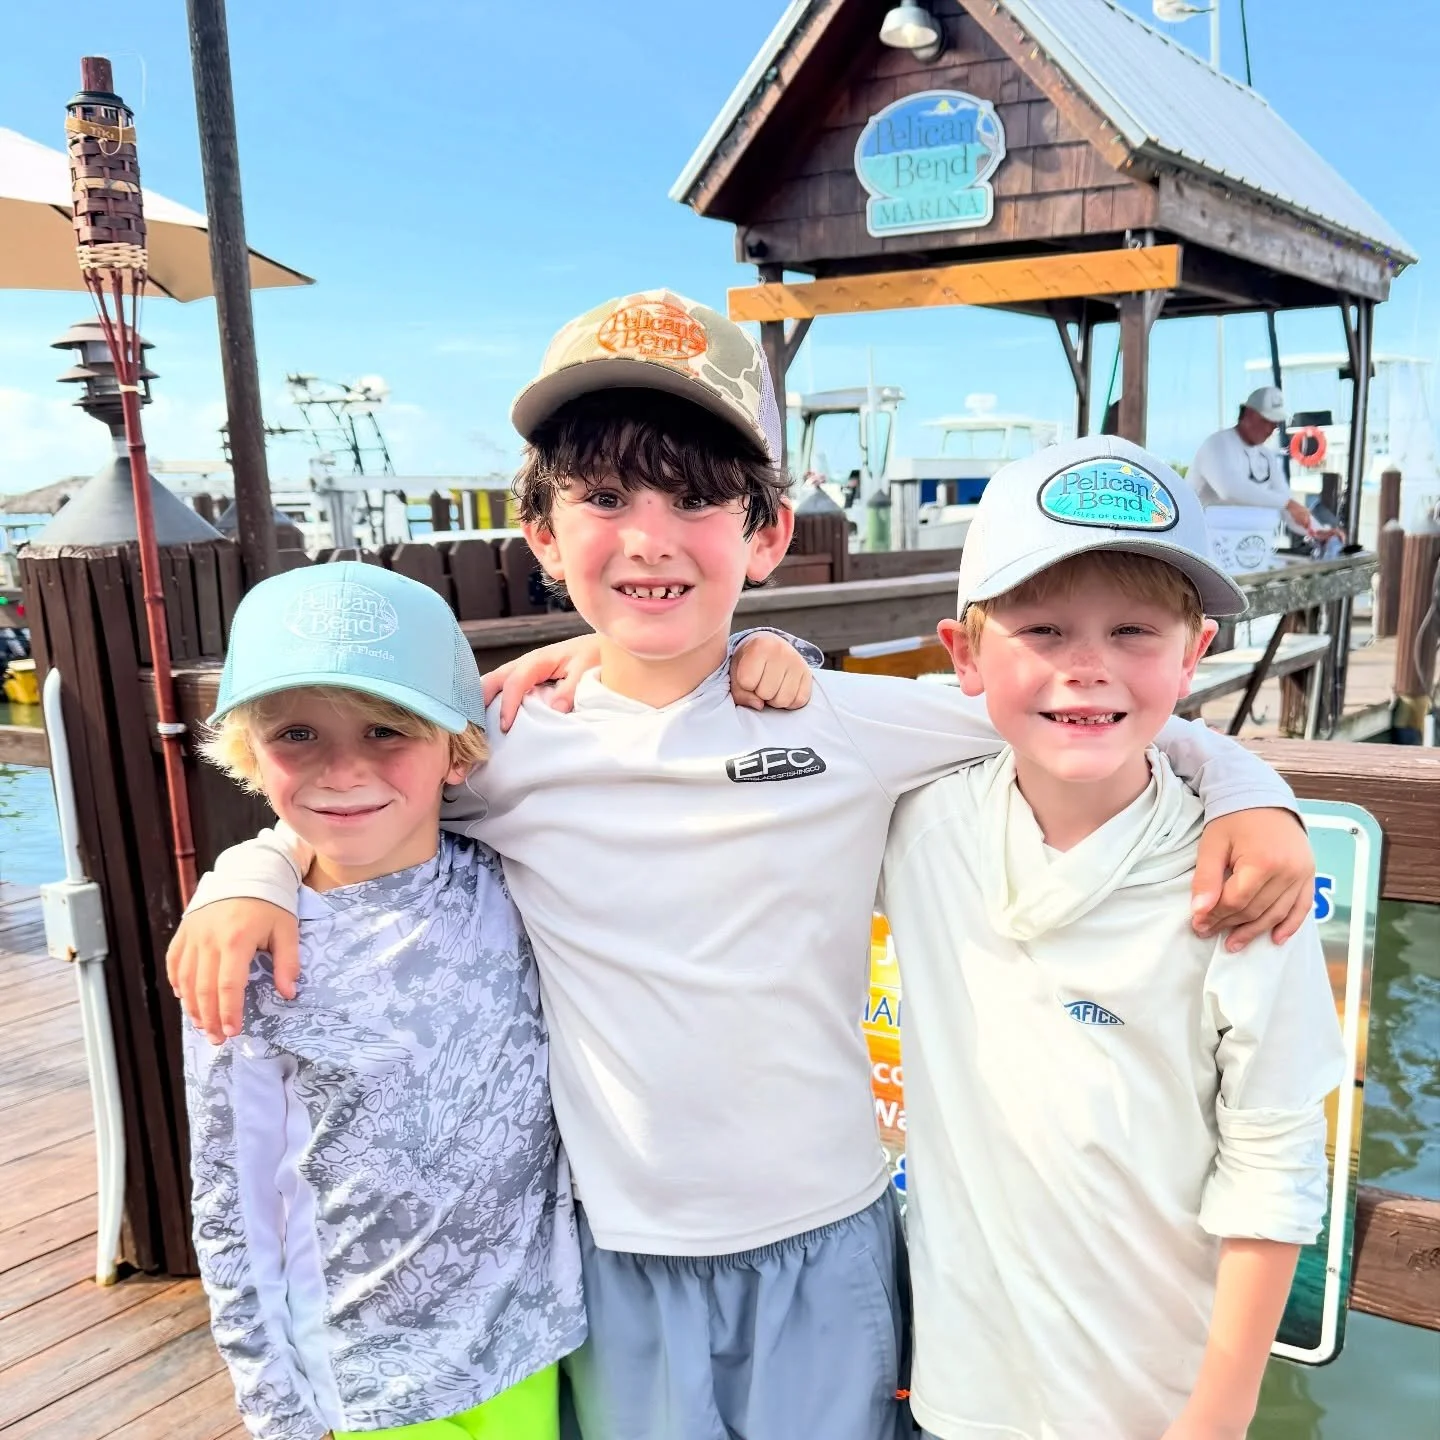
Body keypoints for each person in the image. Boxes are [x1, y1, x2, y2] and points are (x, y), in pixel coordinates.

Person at [168, 292, 1317, 1440]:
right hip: (615, 1249)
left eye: (697, 501)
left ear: (766, 535)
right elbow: (361, 795)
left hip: (830, 1226)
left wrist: (1257, 795)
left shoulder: (845, 717)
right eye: (605, 500)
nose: (650, 537)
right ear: (542, 536)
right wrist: (252, 875)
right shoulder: (511, 745)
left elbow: (1085, 711)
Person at [882, 436, 1346, 1439]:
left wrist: (1217, 1416)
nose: (1088, 667)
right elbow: (764, 719)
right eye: (1042, 627)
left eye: (1135, 631)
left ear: (1195, 653)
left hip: (1159, 1401)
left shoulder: (1244, 880)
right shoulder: (919, 823)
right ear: (963, 654)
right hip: (960, 1391)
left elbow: (1276, 1160)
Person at [183, 563, 587, 1440]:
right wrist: (275, 1403)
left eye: (385, 728)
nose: (343, 768)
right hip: (366, 1378)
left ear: (459, 747)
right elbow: (232, 1196)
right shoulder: (247, 953)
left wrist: (757, 646)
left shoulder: (513, 879)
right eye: (295, 733)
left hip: (533, 1341)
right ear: (251, 752)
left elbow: (647, 706)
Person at [1187, 386, 1342, 543]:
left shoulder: (1267, 456)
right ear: (1248, 414)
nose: (1271, 428)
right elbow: (1230, 489)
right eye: (1266, 421)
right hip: (1200, 545)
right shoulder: (1216, 445)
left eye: (1275, 423)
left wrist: (1318, 530)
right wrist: (1287, 504)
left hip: (1242, 546)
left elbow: (1287, 505)